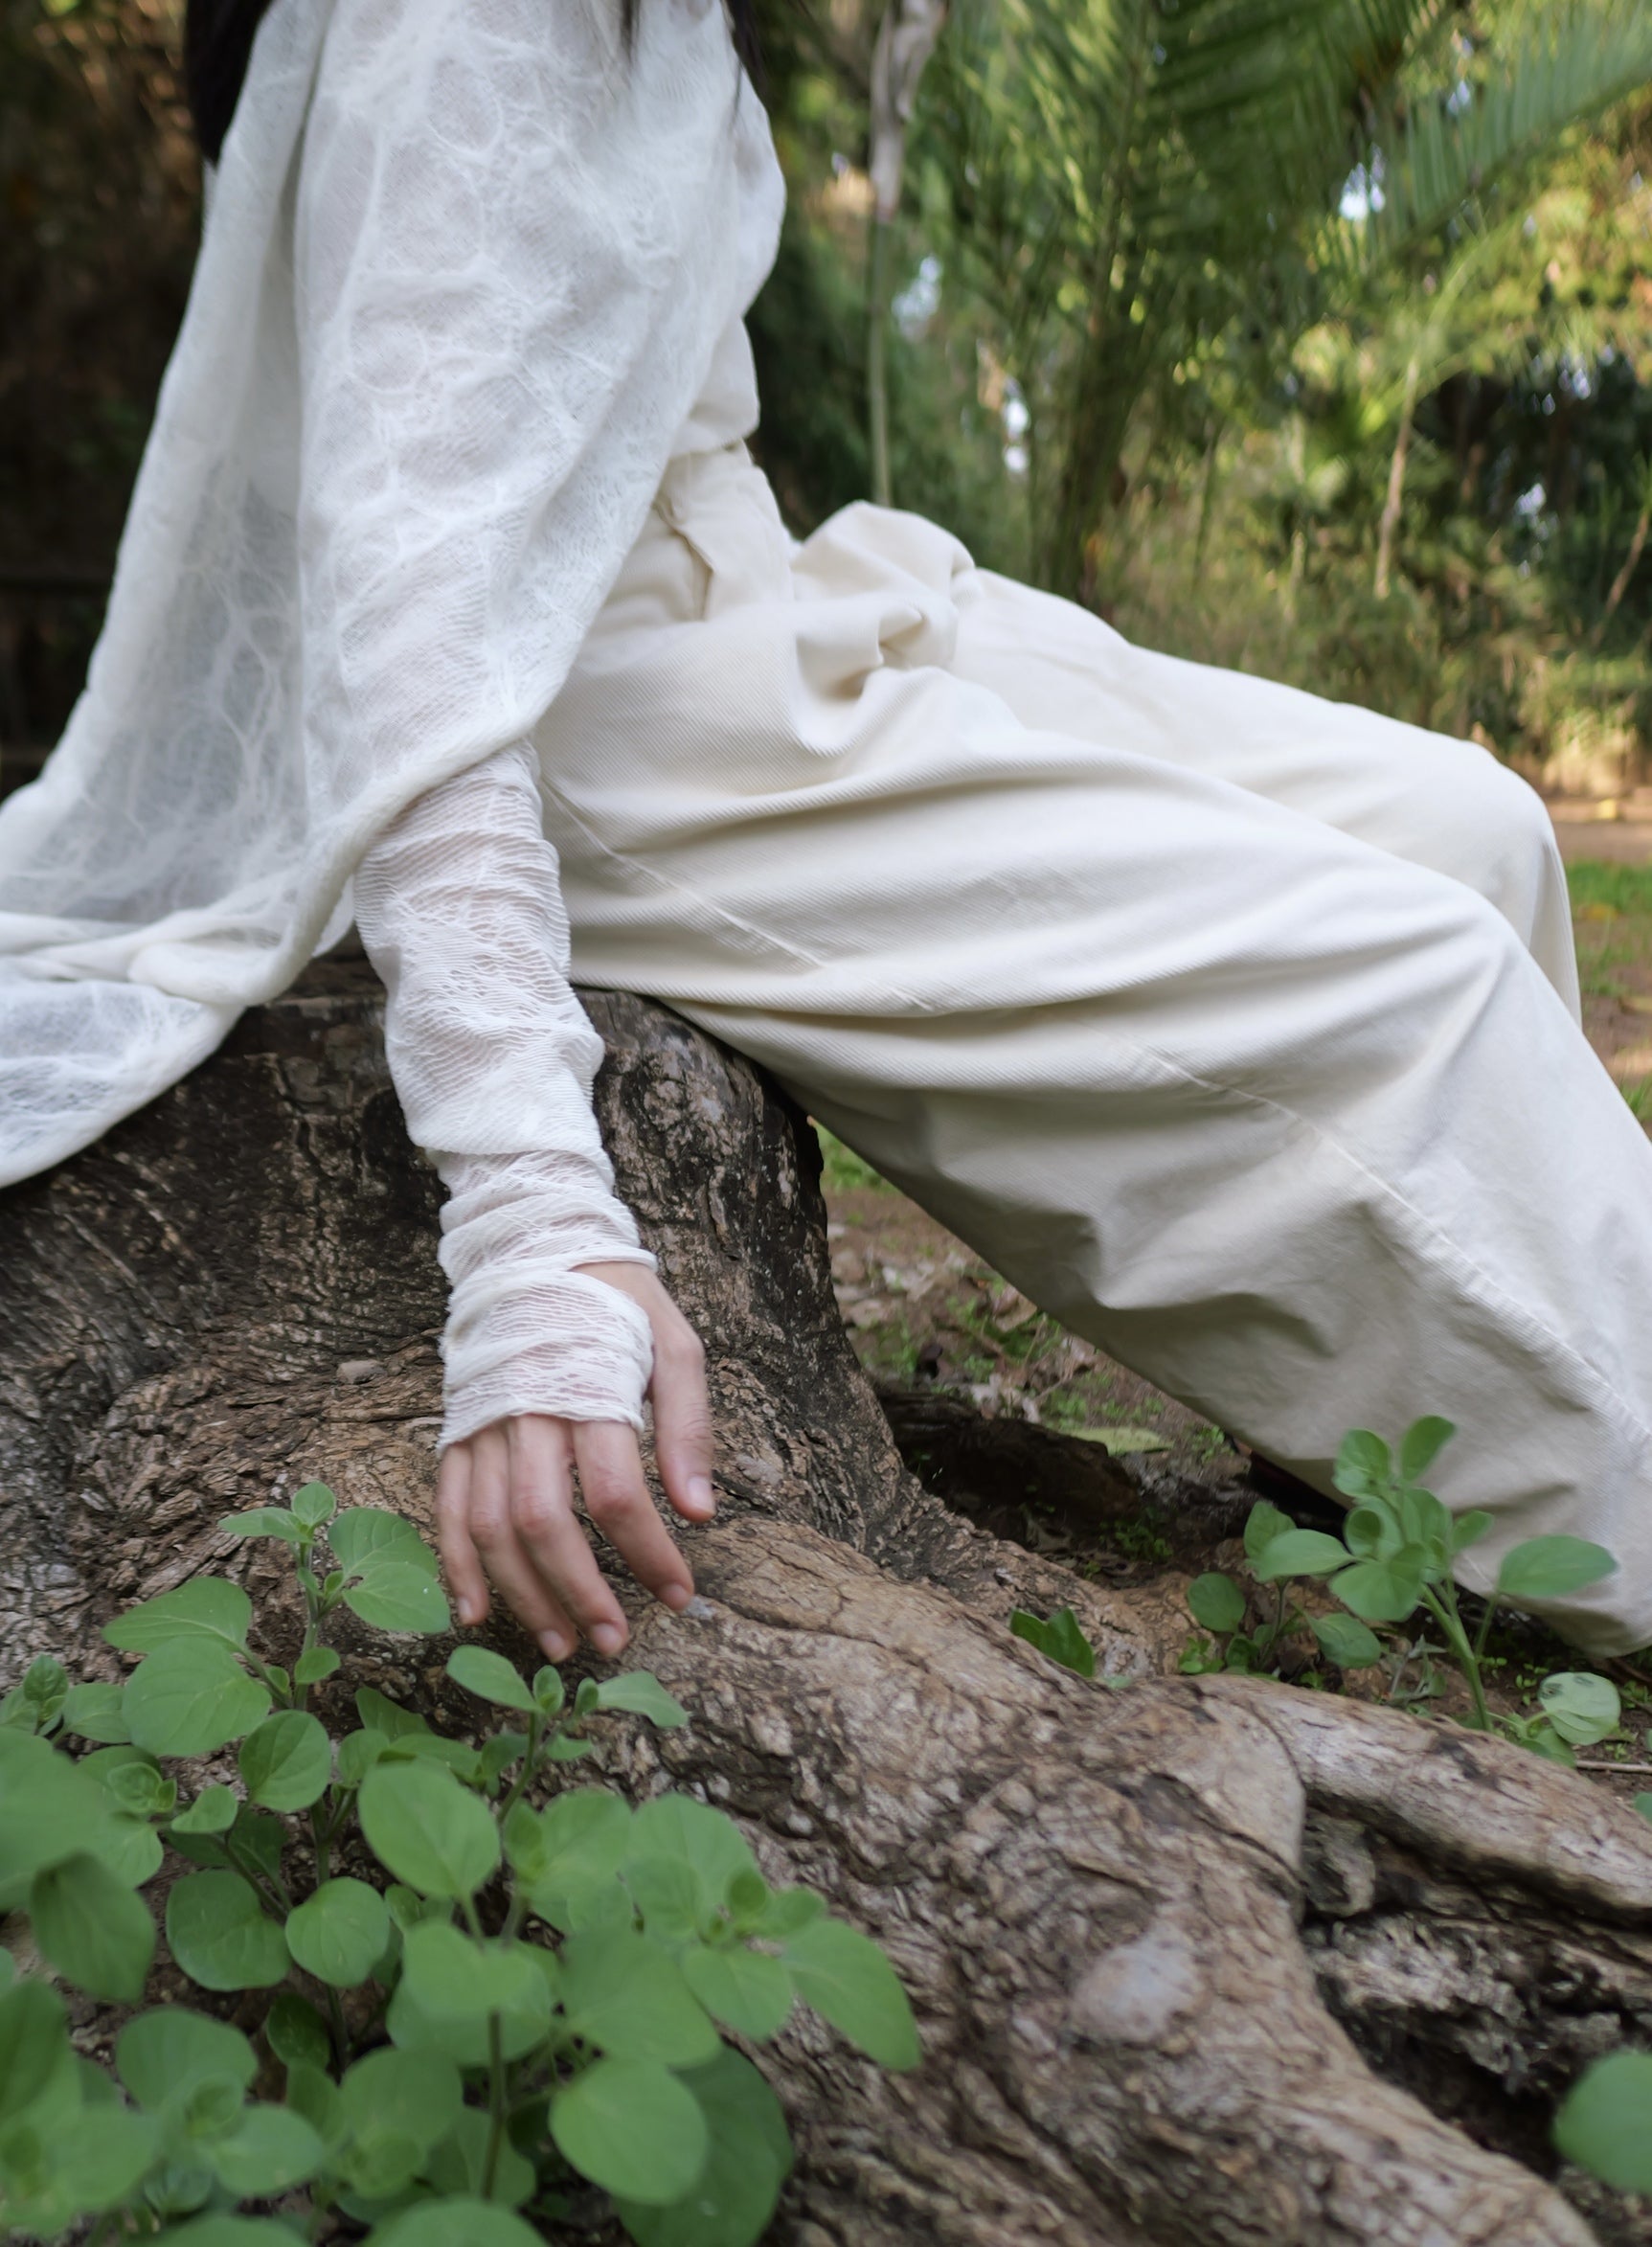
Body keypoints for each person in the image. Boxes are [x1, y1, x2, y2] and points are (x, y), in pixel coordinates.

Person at [5, 0, 1651, 1665]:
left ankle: (1376, 1479)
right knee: (1413, 991)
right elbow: (415, 633)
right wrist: (526, 1231)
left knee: (1476, 824)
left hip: (760, 593)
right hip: (574, 715)